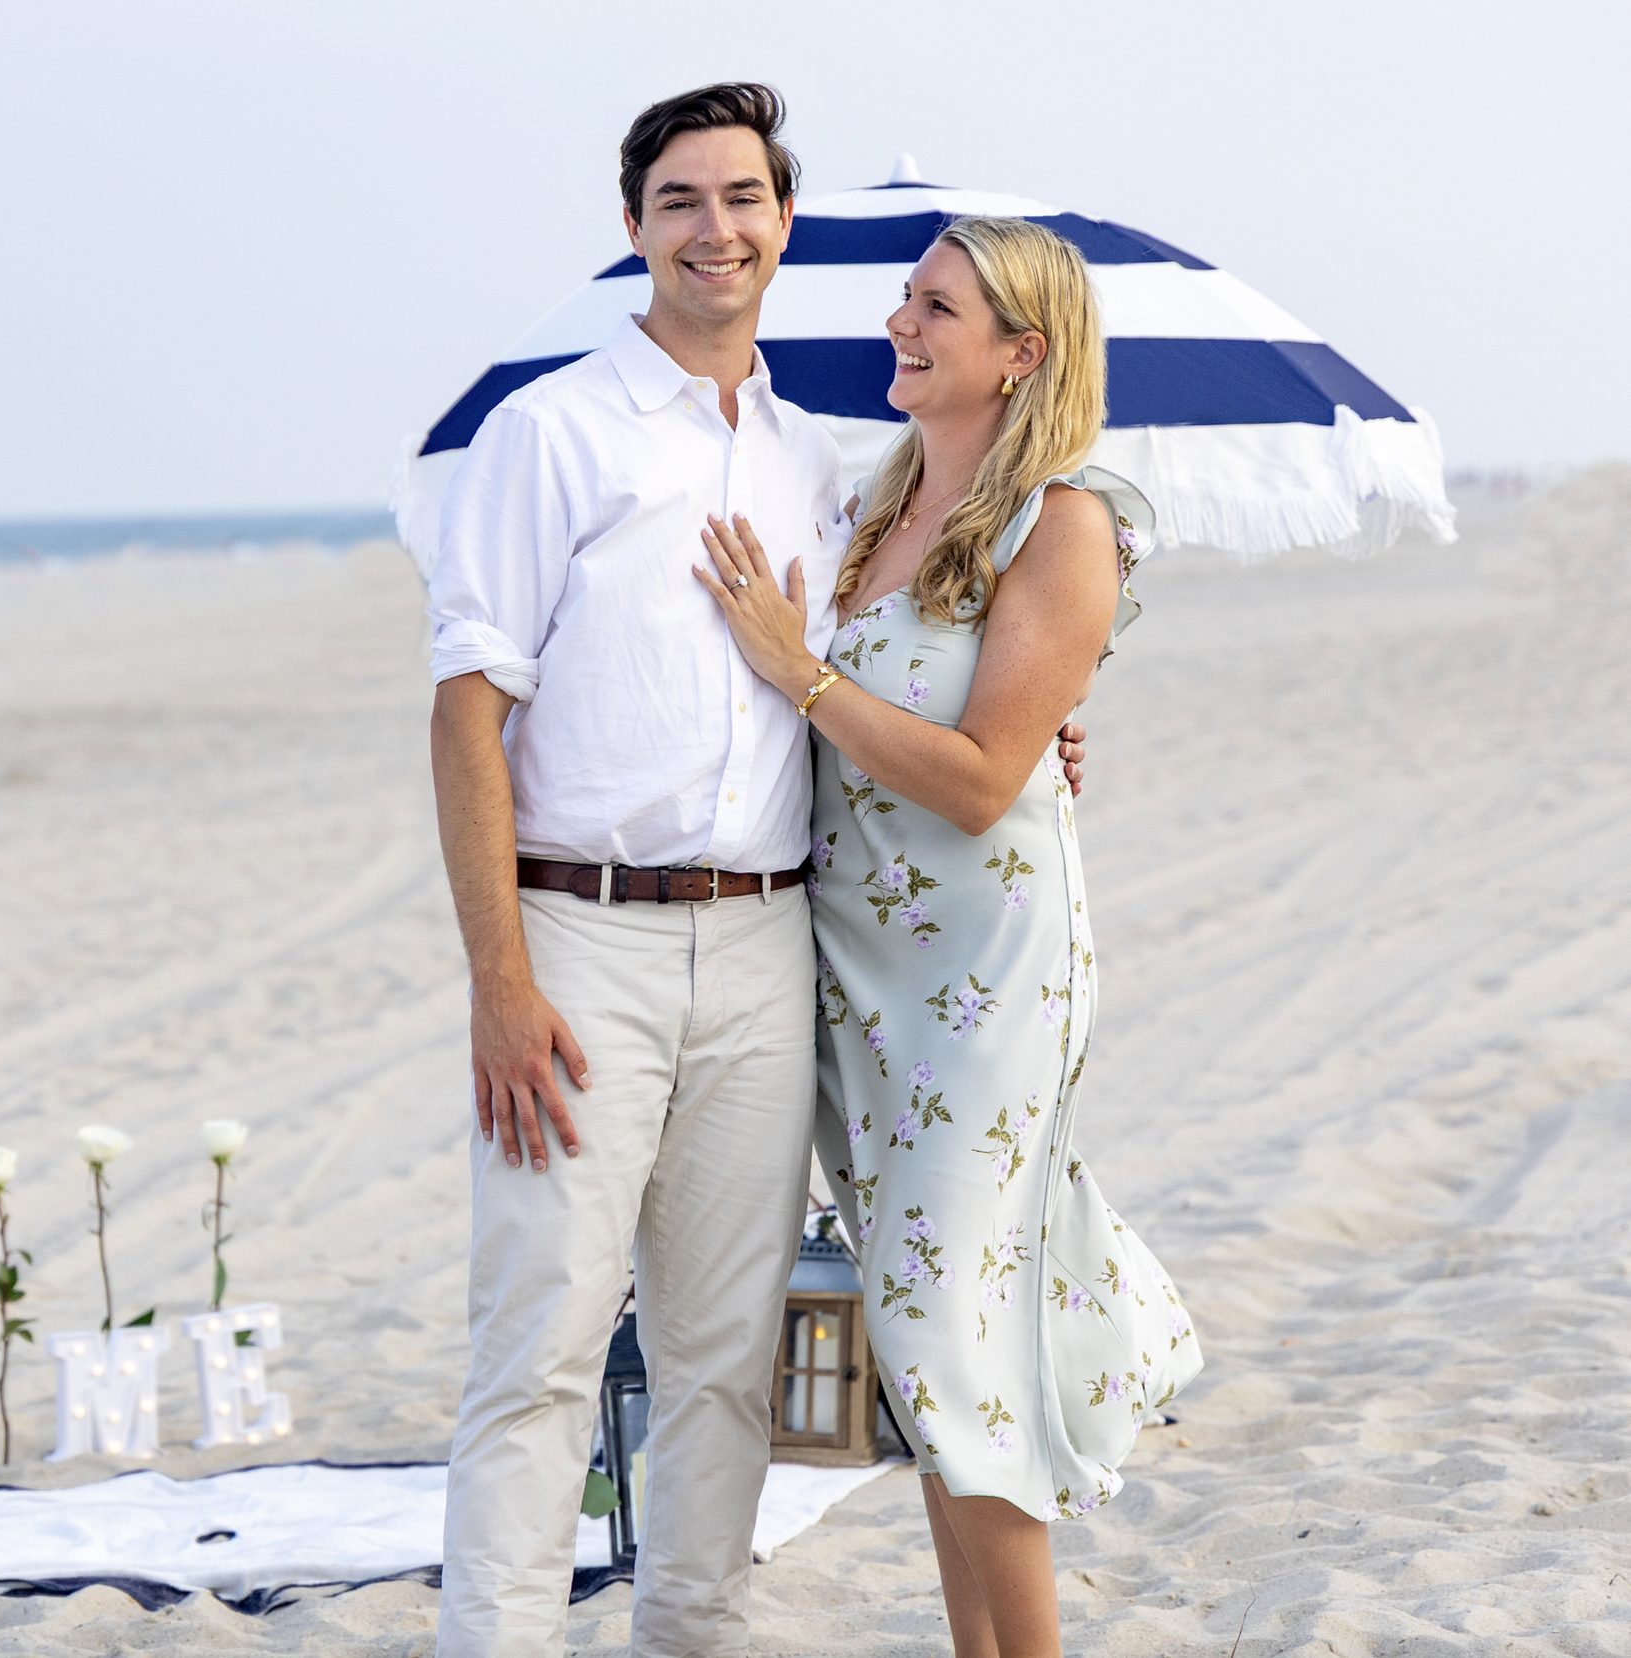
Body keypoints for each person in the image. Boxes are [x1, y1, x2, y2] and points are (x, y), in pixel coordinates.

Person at [424, 85, 1091, 1657]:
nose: (713, 228)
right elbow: (465, 714)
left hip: (773, 946)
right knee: (542, 1343)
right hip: (576, 940)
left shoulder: (830, 471)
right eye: (678, 200)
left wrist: (1053, 741)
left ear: (782, 224)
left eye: (741, 198)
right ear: (637, 229)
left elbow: (925, 676)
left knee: (727, 1354)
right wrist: (498, 983)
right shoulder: (553, 433)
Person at [690, 215, 1204, 1658]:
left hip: (984, 981)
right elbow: (937, 730)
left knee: (945, 1332)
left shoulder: (1069, 518)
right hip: (855, 974)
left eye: (939, 308)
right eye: (906, 298)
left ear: (1020, 354)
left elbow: (981, 778)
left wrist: (801, 676)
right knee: (930, 1350)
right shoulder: (877, 499)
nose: (901, 323)